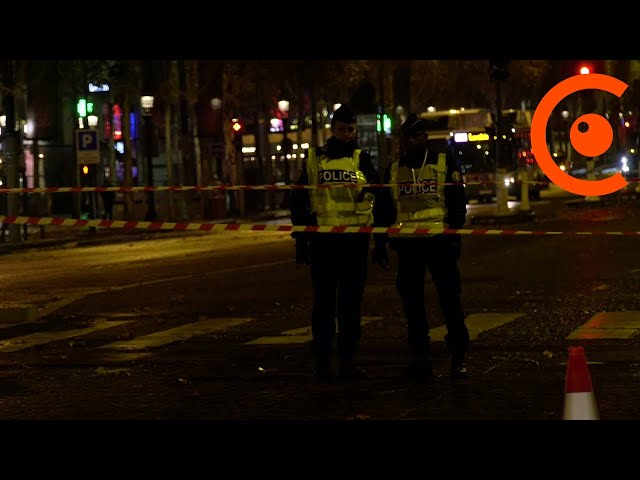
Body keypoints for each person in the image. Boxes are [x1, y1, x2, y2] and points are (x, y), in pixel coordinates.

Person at [371, 113, 470, 381]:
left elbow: (457, 201)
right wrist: (380, 243)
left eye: (419, 135)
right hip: (408, 246)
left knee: (450, 301)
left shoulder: (442, 162)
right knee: (412, 306)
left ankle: (458, 357)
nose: (415, 140)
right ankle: (419, 360)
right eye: (411, 136)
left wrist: (453, 235)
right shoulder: (393, 169)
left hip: (439, 243)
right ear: (403, 140)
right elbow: (383, 210)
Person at [289, 104, 381, 381]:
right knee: (324, 305)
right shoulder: (314, 159)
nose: (347, 134)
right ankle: (322, 363)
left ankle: (348, 362)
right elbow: (299, 199)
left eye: (351, 129)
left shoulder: (360, 158)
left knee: (350, 306)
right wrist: (301, 239)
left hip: (353, 241)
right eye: (342, 129)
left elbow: (378, 194)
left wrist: (380, 238)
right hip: (324, 242)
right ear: (333, 129)